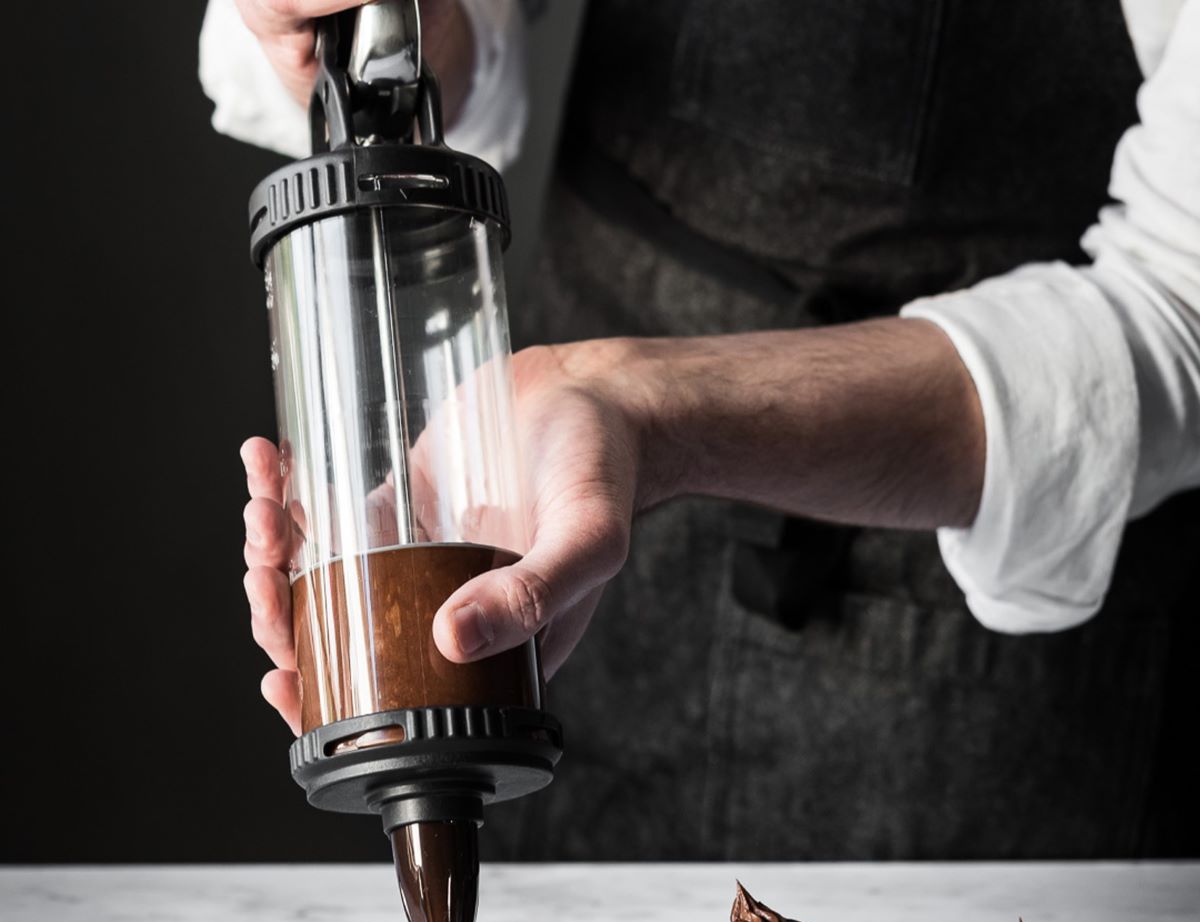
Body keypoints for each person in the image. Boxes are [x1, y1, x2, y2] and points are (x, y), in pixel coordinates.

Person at [205, 0, 1200, 860]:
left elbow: (1182, 310)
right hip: (552, 521)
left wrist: (645, 406)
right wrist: (419, 34)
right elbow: (450, 36)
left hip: (991, 662)